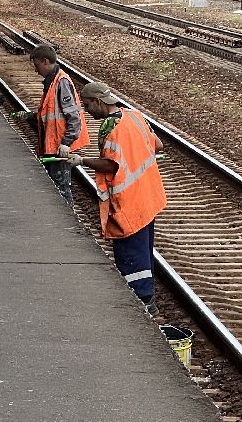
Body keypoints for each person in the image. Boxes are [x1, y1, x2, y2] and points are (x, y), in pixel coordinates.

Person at [73, 81, 167, 316]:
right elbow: (158, 146)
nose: (87, 110)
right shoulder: (135, 115)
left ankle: (140, 304)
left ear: (98, 102)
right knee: (144, 250)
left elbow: (110, 164)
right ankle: (148, 300)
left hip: (128, 201)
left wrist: (80, 161)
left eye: (87, 105)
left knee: (130, 255)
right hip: (148, 195)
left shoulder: (109, 127)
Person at [28, 44, 89, 202]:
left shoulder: (61, 81)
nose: (36, 70)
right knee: (55, 185)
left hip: (59, 146)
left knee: (61, 187)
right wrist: (32, 117)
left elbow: (74, 116)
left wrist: (66, 142)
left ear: (46, 61)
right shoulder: (51, 81)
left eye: (37, 65)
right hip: (52, 144)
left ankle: (69, 218)